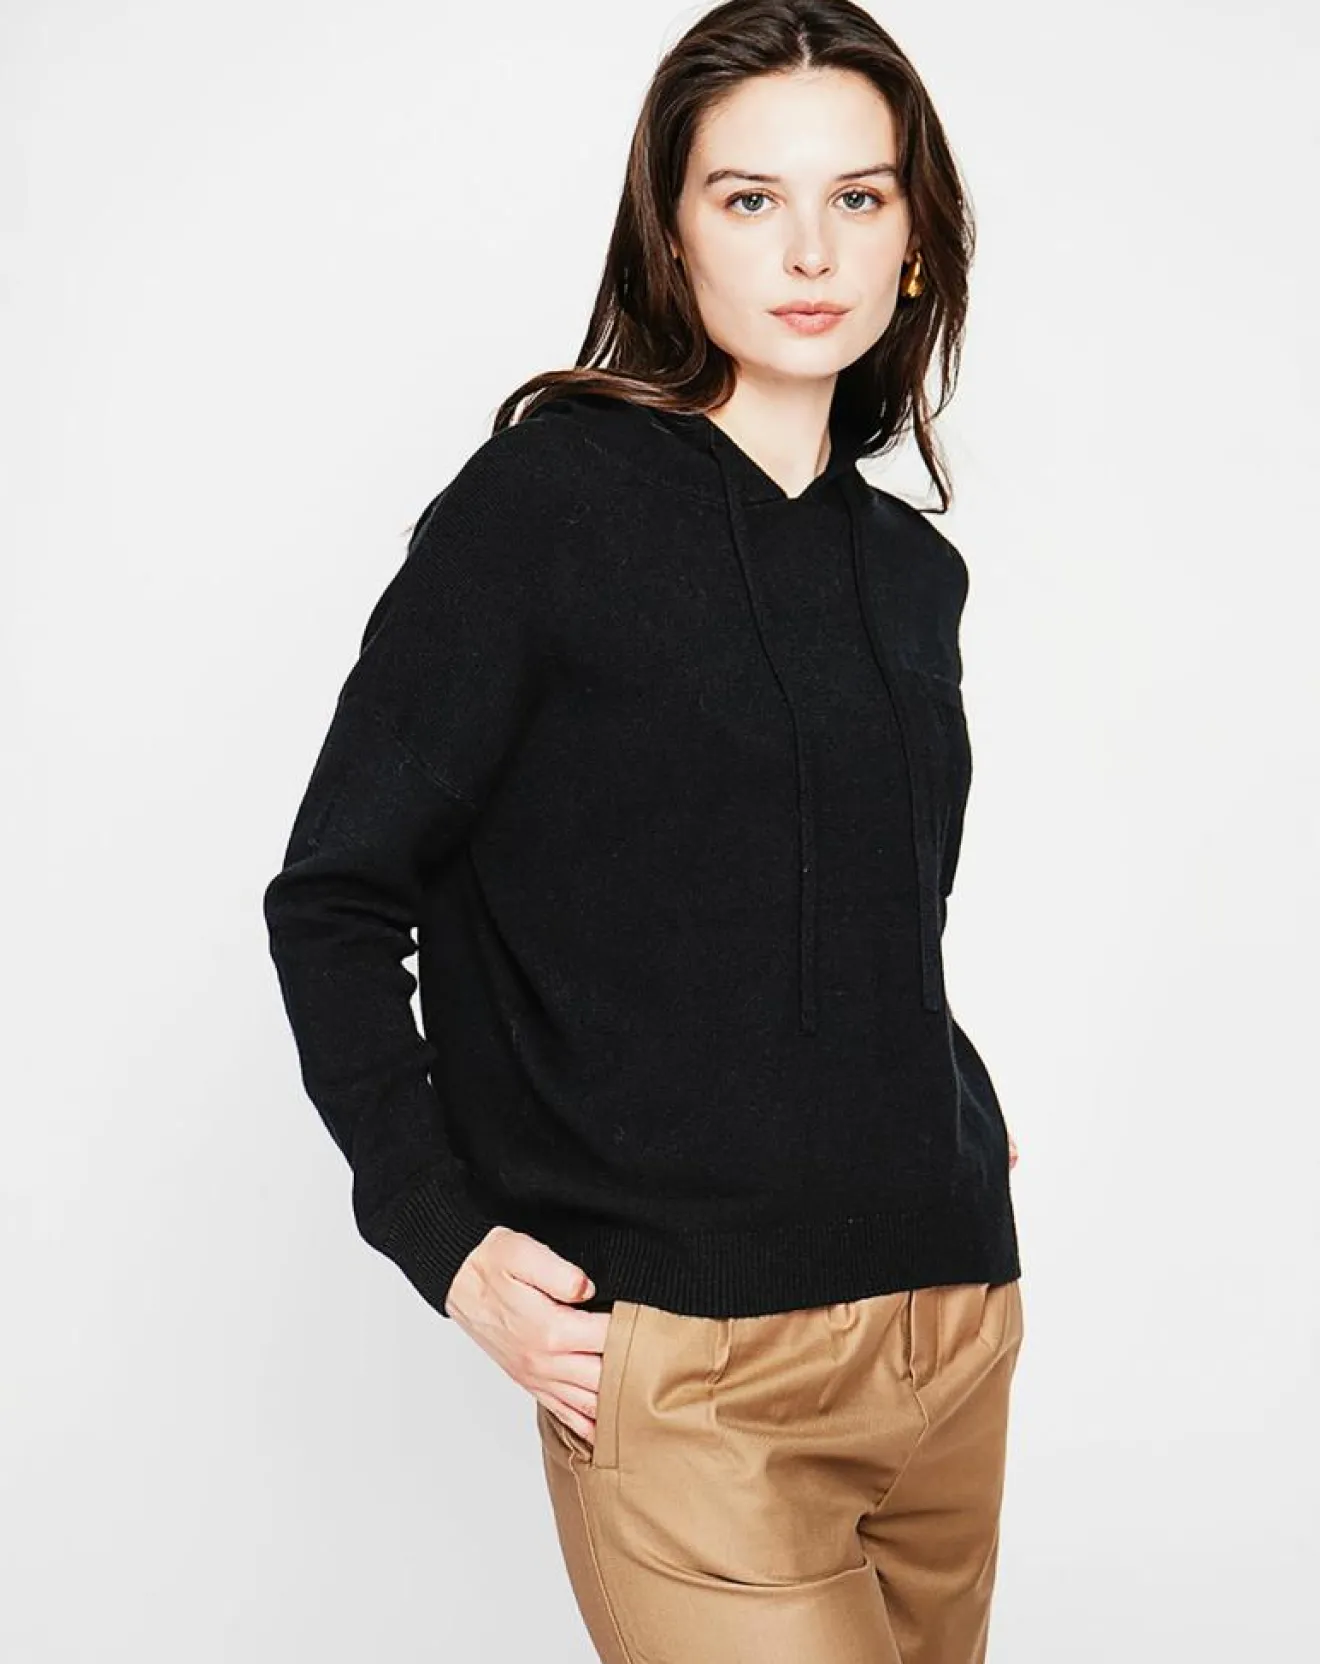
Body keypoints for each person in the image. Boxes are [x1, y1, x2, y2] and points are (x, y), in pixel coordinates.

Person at [262, 1, 1024, 1657]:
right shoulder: (545, 510)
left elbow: (838, 900)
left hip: (953, 1321)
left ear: (914, 238)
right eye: (750, 198)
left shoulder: (912, 574)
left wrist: (936, 1089)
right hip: (694, 1365)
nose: (810, 249)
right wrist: (443, 1237)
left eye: (860, 196)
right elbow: (334, 895)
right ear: (672, 237)